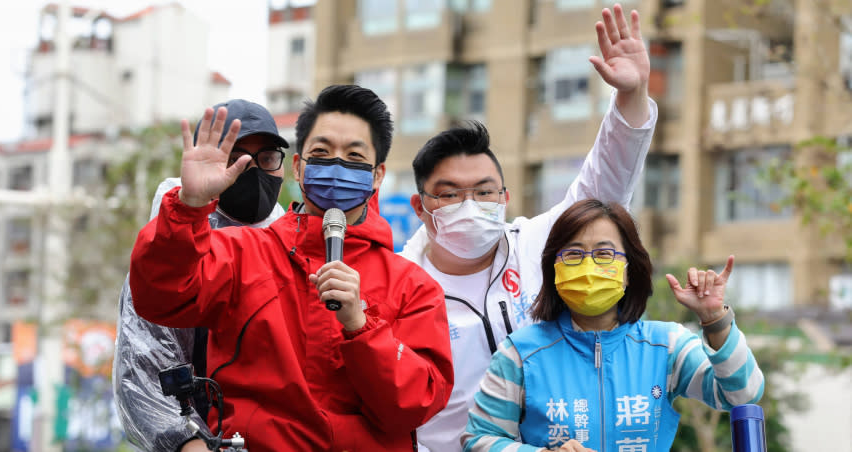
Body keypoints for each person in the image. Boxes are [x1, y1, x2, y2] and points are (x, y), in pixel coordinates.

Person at [128, 85, 454, 451]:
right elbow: (161, 297)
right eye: (322, 153)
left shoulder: (414, 286)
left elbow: (416, 405)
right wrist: (189, 206)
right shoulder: (240, 253)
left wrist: (361, 328)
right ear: (298, 167)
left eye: (353, 156)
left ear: (377, 176)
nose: (336, 166)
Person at [401, 5, 658, 451]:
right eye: (449, 194)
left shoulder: (543, 244)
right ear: (420, 207)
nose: (469, 206)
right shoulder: (396, 289)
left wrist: (630, 97)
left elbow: (606, 181)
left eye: (484, 192)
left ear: (505, 198)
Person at [462, 199, 765, 452]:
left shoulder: (667, 345)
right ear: (553, 269)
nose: (589, 266)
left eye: (605, 253)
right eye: (573, 254)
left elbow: (741, 395)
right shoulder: (520, 354)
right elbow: (479, 440)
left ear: (628, 270)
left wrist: (715, 319)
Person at [113, 99, 288, 452]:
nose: (251, 170)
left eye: (266, 159)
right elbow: (144, 374)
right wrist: (190, 443)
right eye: (236, 157)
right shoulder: (169, 257)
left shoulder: (290, 246)